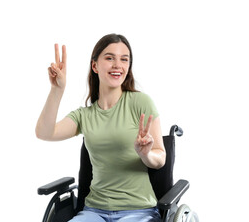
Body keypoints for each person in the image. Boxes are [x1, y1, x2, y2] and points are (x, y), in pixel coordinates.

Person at [35, 34, 166, 222]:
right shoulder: (84, 116)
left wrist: (145, 154)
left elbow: (160, 157)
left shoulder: (141, 103)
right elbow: (44, 133)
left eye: (124, 59)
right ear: (95, 66)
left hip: (138, 211)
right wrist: (57, 90)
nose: (117, 65)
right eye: (109, 58)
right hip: (94, 211)